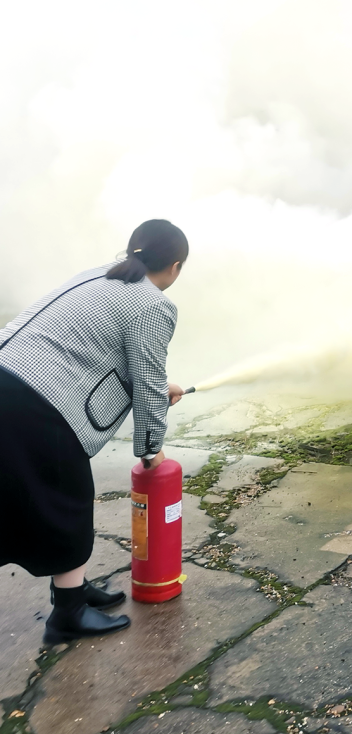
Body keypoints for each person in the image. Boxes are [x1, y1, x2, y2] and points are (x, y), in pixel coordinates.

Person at [0, 219, 188, 644]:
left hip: (9, 384)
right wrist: (152, 453)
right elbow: (145, 380)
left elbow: (133, 370)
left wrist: (159, 388)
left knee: (35, 496)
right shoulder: (152, 304)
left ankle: (74, 588)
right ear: (175, 267)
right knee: (68, 500)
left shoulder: (98, 275)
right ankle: (68, 615)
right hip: (37, 402)